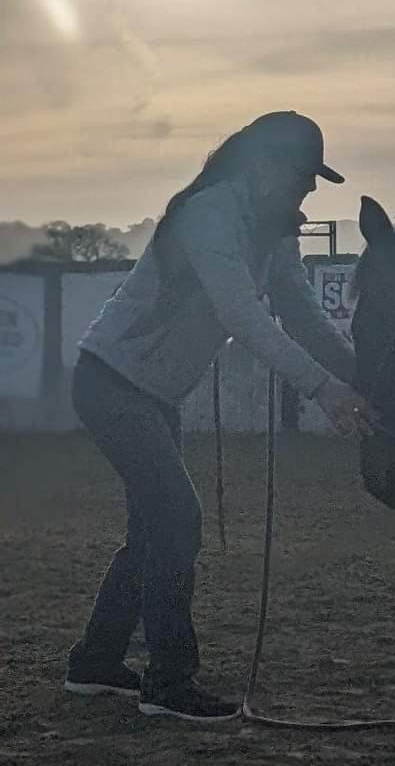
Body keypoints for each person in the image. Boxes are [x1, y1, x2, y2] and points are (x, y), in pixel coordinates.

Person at [63, 111, 375, 722]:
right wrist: (325, 390)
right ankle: (168, 682)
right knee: (178, 520)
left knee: (155, 530)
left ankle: (96, 662)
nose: (309, 191)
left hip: (145, 392)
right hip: (112, 384)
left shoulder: (269, 228)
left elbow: (303, 315)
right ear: (263, 167)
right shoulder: (209, 214)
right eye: (304, 177)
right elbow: (242, 316)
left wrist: (359, 378)